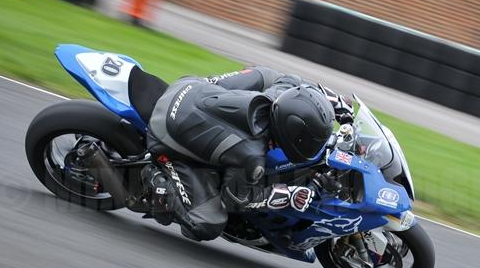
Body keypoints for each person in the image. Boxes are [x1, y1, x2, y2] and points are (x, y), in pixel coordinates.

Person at [126, 66, 354, 242]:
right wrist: (289, 195)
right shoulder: (250, 154)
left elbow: (299, 85)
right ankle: (154, 179)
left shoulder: (280, 92)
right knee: (207, 224)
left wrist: (337, 103)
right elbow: (236, 200)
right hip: (165, 134)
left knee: (262, 75)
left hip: (187, 87)